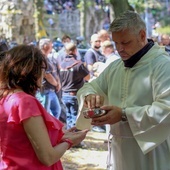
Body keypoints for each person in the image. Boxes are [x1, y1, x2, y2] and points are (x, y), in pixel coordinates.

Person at [76, 10, 170, 170]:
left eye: (125, 43)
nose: (119, 49)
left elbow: (166, 108)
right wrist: (89, 96)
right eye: (116, 43)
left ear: (142, 35)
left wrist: (124, 114)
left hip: (150, 150)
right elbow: (90, 86)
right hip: (118, 148)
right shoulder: (115, 67)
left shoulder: (162, 65)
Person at [0, 45, 89, 169]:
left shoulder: (6, 97)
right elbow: (47, 157)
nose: (44, 73)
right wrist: (70, 142)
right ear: (32, 71)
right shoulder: (25, 101)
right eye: (43, 69)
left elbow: (22, 140)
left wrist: (60, 137)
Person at [60, 42, 90, 130]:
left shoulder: (62, 64)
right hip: (74, 94)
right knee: (75, 117)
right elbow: (88, 77)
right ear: (75, 51)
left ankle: (70, 138)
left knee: (68, 117)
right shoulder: (78, 64)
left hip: (64, 94)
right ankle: (76, 140)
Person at [37, 38, 61, 119]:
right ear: (45, 46)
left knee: (56, 111)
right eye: (51, 45)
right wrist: (56, 84)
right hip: (45, 90)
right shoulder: (41, 59)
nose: (52, 47)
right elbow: (47, 75)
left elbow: (54, 72)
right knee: (45, 113)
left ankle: (53, 129)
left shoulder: (49, 58)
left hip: (51, 90)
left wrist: (58, 83)